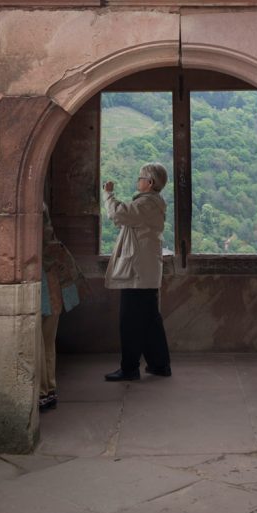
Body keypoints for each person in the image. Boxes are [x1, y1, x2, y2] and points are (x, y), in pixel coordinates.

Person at [103, 162, 172, 381]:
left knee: (130, 321)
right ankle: (160, 365)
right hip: (146, 270)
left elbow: (118, 214)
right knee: (150, 320)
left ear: (150, 183)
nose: (138, 181)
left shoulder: (146, 205)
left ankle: (130, 368)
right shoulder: (152, 204)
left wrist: (108, 194)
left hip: (138, 272)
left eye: (140, 177)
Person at [38, 202, 85, 411]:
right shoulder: (42, 208)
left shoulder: (31, 210)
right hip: (53, 281)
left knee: (37, 340)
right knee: (47, 340)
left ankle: (41, 392)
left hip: (41, 282)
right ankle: (48, 390)